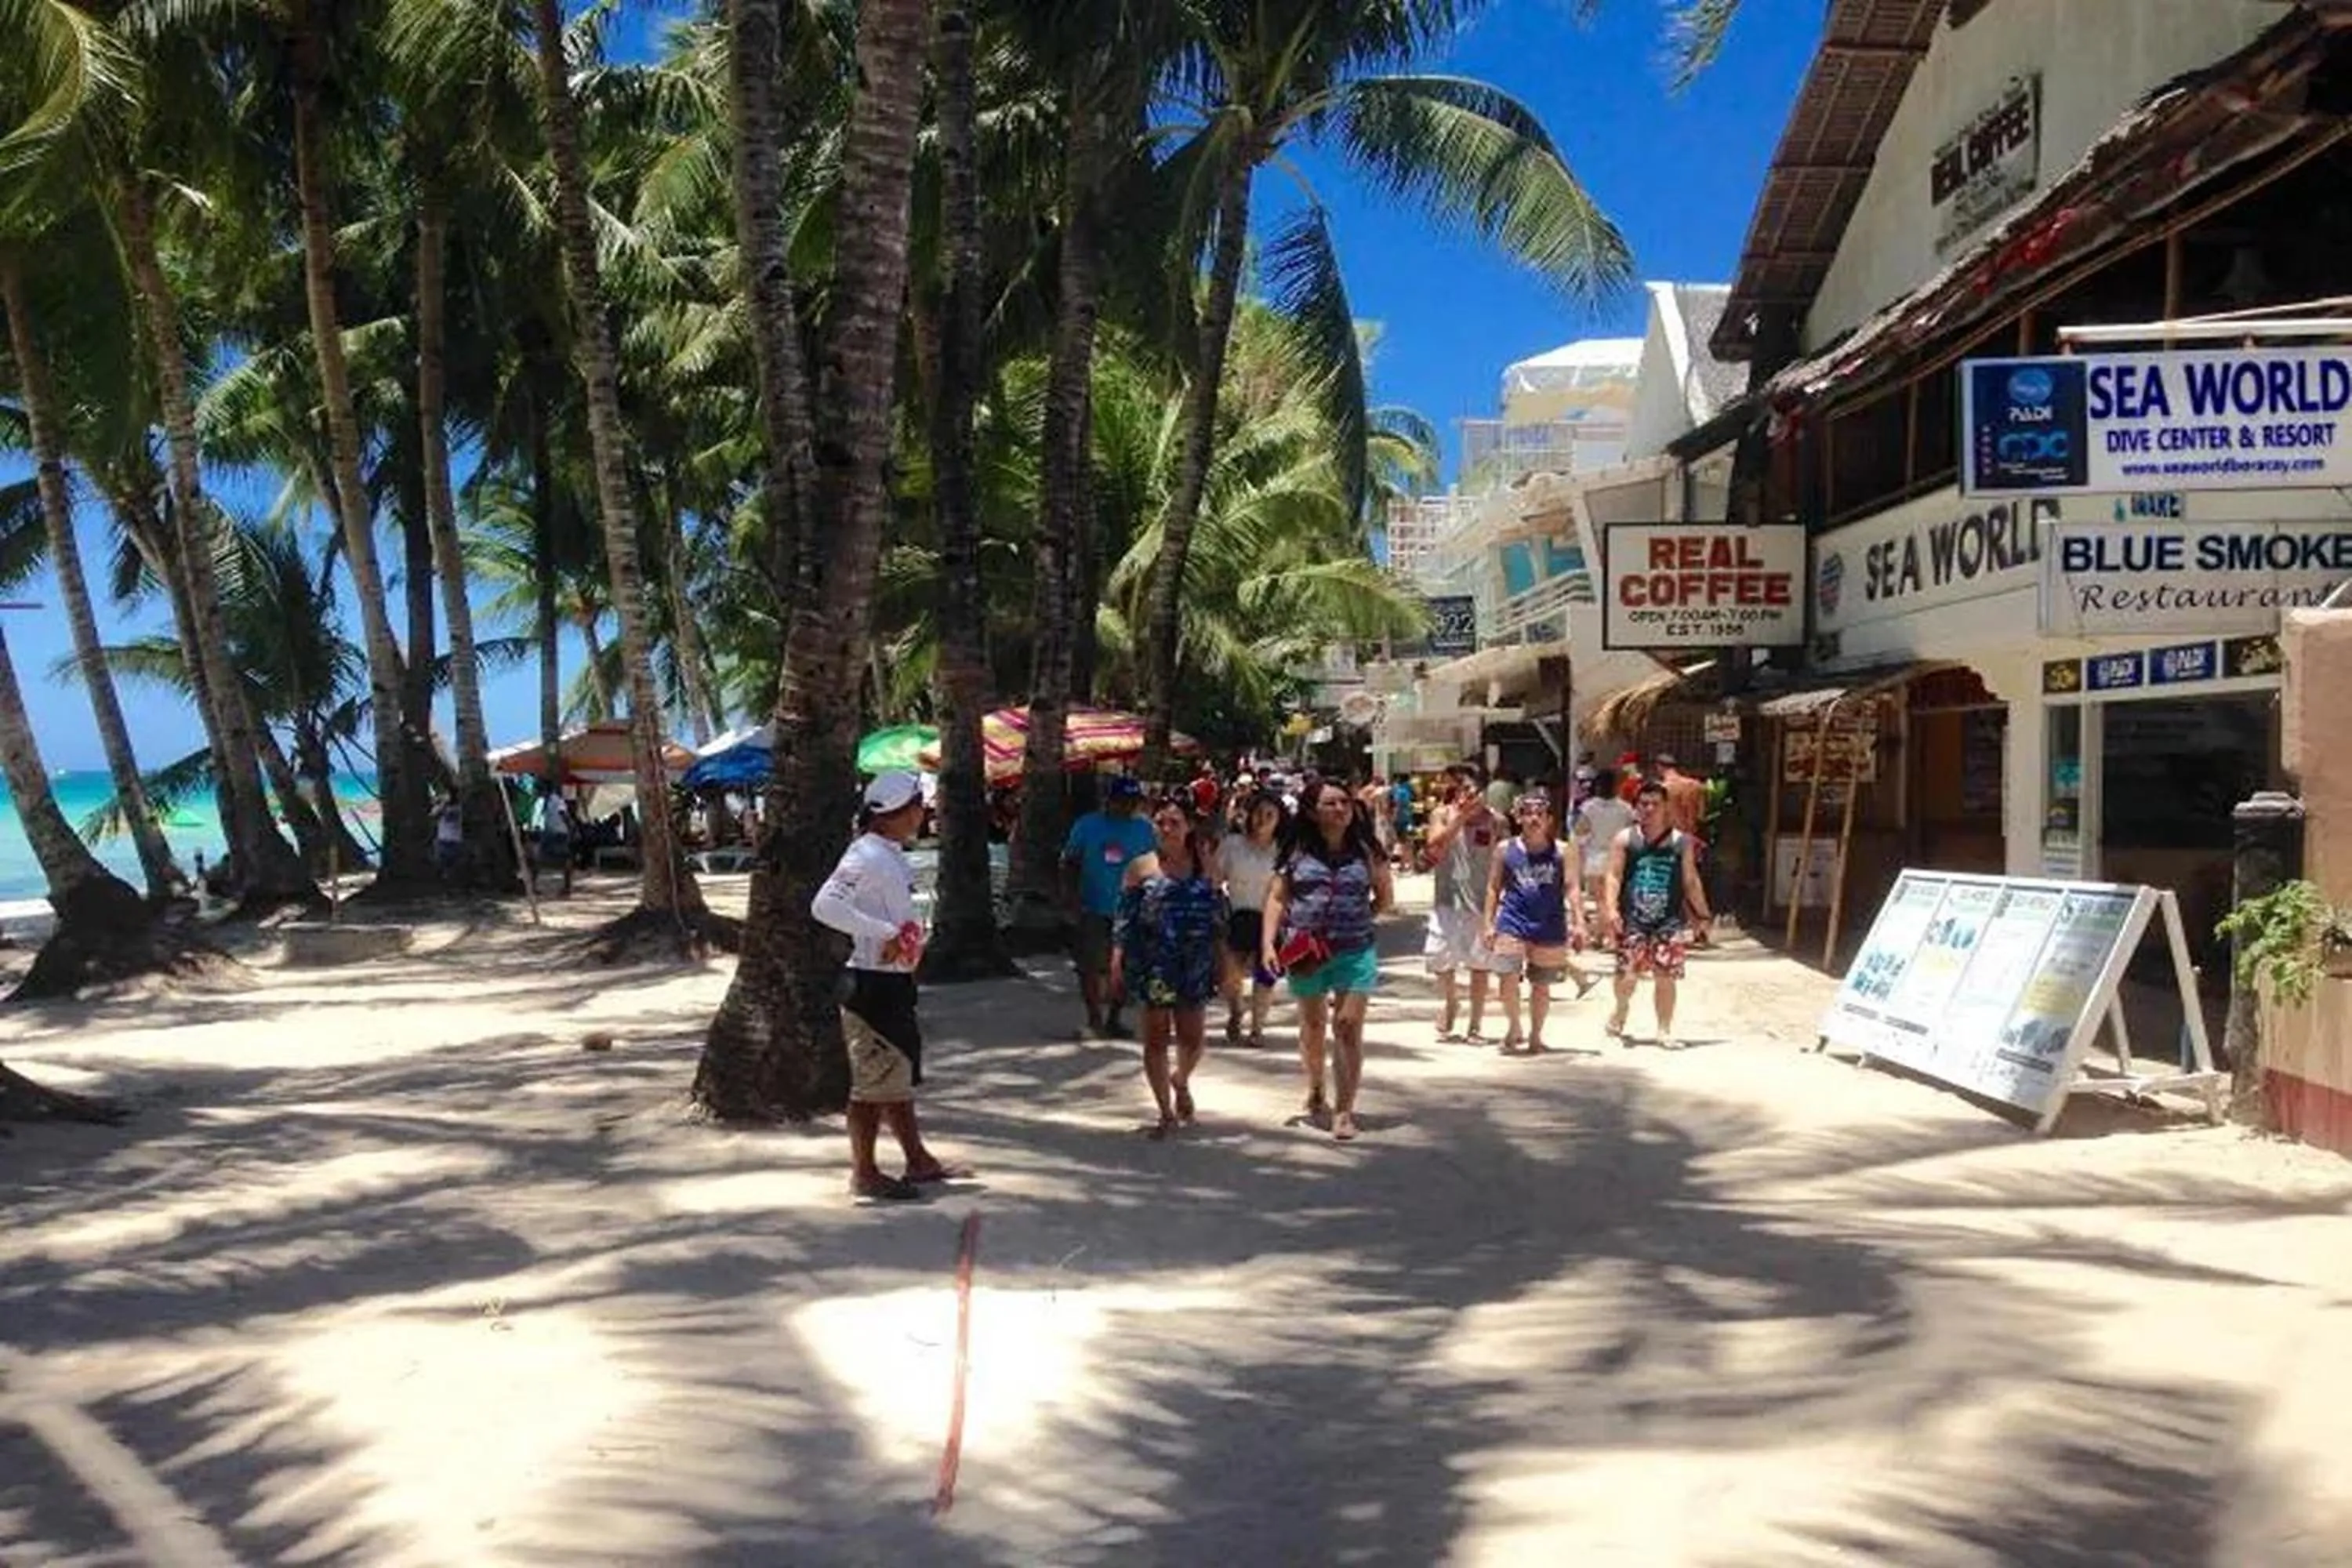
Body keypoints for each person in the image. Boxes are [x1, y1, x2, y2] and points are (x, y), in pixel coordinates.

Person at [811, 771, 964, 1202]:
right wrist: (883, 932)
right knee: (872, 1084)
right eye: (917, 804)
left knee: (895, 1079)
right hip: (870, 983)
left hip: (892, 981)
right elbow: (825, 905)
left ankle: (918, 1159)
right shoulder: (866, 855)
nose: (922, 812)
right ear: (893, 813)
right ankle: (864, 1172)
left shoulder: (889, 853)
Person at [1262, 780, 1394, 1142]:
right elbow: (1276, 898)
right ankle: (1317, 1083)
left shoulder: (1367, 851)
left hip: (1355, 949)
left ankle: (1344, 1110)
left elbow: (1384, 896)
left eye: (1346, 803)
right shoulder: (1296, 853)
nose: (1341, 809)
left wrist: (1358, 917)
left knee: (1348, 1026)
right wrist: (1268, 946)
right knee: (1313, 1025)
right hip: (1306, 952)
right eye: (1331, 803)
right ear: (1311, 811)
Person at [1112, 796, 1225, 1137]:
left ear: (1189, 826)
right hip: (1153, 962)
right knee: (1156, 1040)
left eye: (1174, 822)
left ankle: (1181, 1079)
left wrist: (1224, 961)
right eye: (1160, 822)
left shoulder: (1206, 865)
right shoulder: (1140, 868)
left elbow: (1219, 918)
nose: (1166, 829)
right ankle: (1165, 1112)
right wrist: (1117, 961)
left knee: (1193, 1040)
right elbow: (1123, 920)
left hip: (1195, 960)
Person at [1602, 779, 1715, 1050]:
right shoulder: (1625, 839)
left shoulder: (1681, 842)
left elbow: (1690, 880)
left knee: (1665, 977)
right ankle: (1621, 1009)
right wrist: (1610, 908)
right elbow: (1614, 876)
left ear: (1666, 807)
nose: (1649, 809)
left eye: (1655, 804)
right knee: (1627, 976)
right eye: (1644, 804)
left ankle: (1664, 1030)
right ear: (1636, 807)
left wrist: (1703, 915)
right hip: (1633, 919)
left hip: (1668, 919)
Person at [1483, 790, 1591, 1054]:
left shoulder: (1563, 851)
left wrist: (1579, 922)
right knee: (1507, 978)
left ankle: (1536, 1035)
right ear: (1518, 818)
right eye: (1527, 813)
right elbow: (1493, 888)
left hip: (1549, 924)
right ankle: (1514, 1025)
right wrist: (1488, 924)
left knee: (1541, 985)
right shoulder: (1504, 850)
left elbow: (1573, 887)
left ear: (1549, 819)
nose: (1534, 819)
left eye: (1540, 814)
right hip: (1512, 921)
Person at [1063, 775, 1157, 1038]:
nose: (1127, 807)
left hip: (1132, 907)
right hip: (1093, 905)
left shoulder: (1144, 829)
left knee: (1124, 968)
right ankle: (1094, 1018)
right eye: (1122, 801)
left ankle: (1114, 1018)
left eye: (1132, 802)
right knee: (1090, 965)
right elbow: (1070, 862)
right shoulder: (1087, 825)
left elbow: (1154, 865)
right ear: (1110, 800)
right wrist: (1070, 899)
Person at [1421, 765, 1501, 1043]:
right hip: (1447, 899)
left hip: (1481, 902)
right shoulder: (1442, 814)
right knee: (1439, 958)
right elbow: (1434, 844)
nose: (1468, 795)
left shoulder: (1495, 821)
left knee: (1480, 964)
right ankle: (1450, 1001)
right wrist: (1459, 819)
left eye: (1473, 790)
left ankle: (1475, 1024)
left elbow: (1503, 858)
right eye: (1463, 789)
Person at [1221, 790, 1283, 1047]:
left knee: (1265, 976)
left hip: (1272, 917)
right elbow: (1216, 876)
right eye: (1258, 813)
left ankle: (1258, 1028)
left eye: (1270, 815)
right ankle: (1236, 1009)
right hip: (1238, 913)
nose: (1263, 820)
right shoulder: (1233, 844)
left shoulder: (1283, 850)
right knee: (1230, 975)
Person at [1573, 768, 1637, 923]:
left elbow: (1579, 835)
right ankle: (1610, 933)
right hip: (1618, 858)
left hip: (1595, 858)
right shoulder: (1626, 809)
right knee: (1613, 899)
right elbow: (1633, 833)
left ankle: (1604, 934)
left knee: (1600, 900)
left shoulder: (1589, 807)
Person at [1654, 753, 1707, 840]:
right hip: (1693, 836)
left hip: (1672, 837)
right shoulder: (1696, 785)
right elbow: (1701, 816)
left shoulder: (1661, 788)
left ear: (1659, 767)